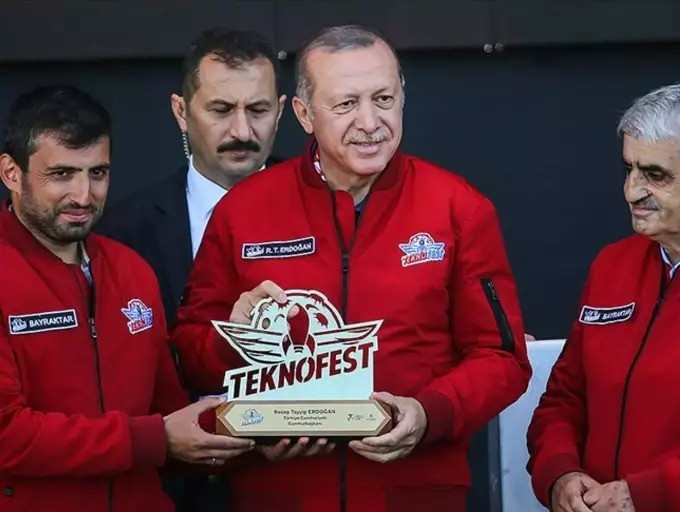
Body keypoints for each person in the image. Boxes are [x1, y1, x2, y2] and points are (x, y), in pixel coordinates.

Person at [171, 24, 532, 512]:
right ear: (304, 114)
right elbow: (187, 352)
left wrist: (428, 413)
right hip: (279, 492)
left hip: (414, 493)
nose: (370, 121)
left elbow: (502, 358)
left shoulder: (458, 208)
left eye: (384, 99)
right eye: (345, 104)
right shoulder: (243, 210)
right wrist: (231, 341)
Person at [0, 85, 254, 512]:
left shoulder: (131, 270)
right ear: (11, 172)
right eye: (62, 174)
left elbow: (169, 414)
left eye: (97, 173)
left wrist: (246, 434)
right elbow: (8, 435)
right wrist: (150, 439)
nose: (83, 195)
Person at [527, 83, 680, 512]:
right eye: (629, 169)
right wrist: (559, 474)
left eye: (656, 175)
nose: (631, 191)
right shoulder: (612, 265)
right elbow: (564, 398)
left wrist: (645, 496)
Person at [97, 27, 285, 323]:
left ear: (280, 111)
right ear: (181, 112)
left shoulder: (326, 207)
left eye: (258, 110)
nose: (242, 131)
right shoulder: (125, 232)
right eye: (221, 110)